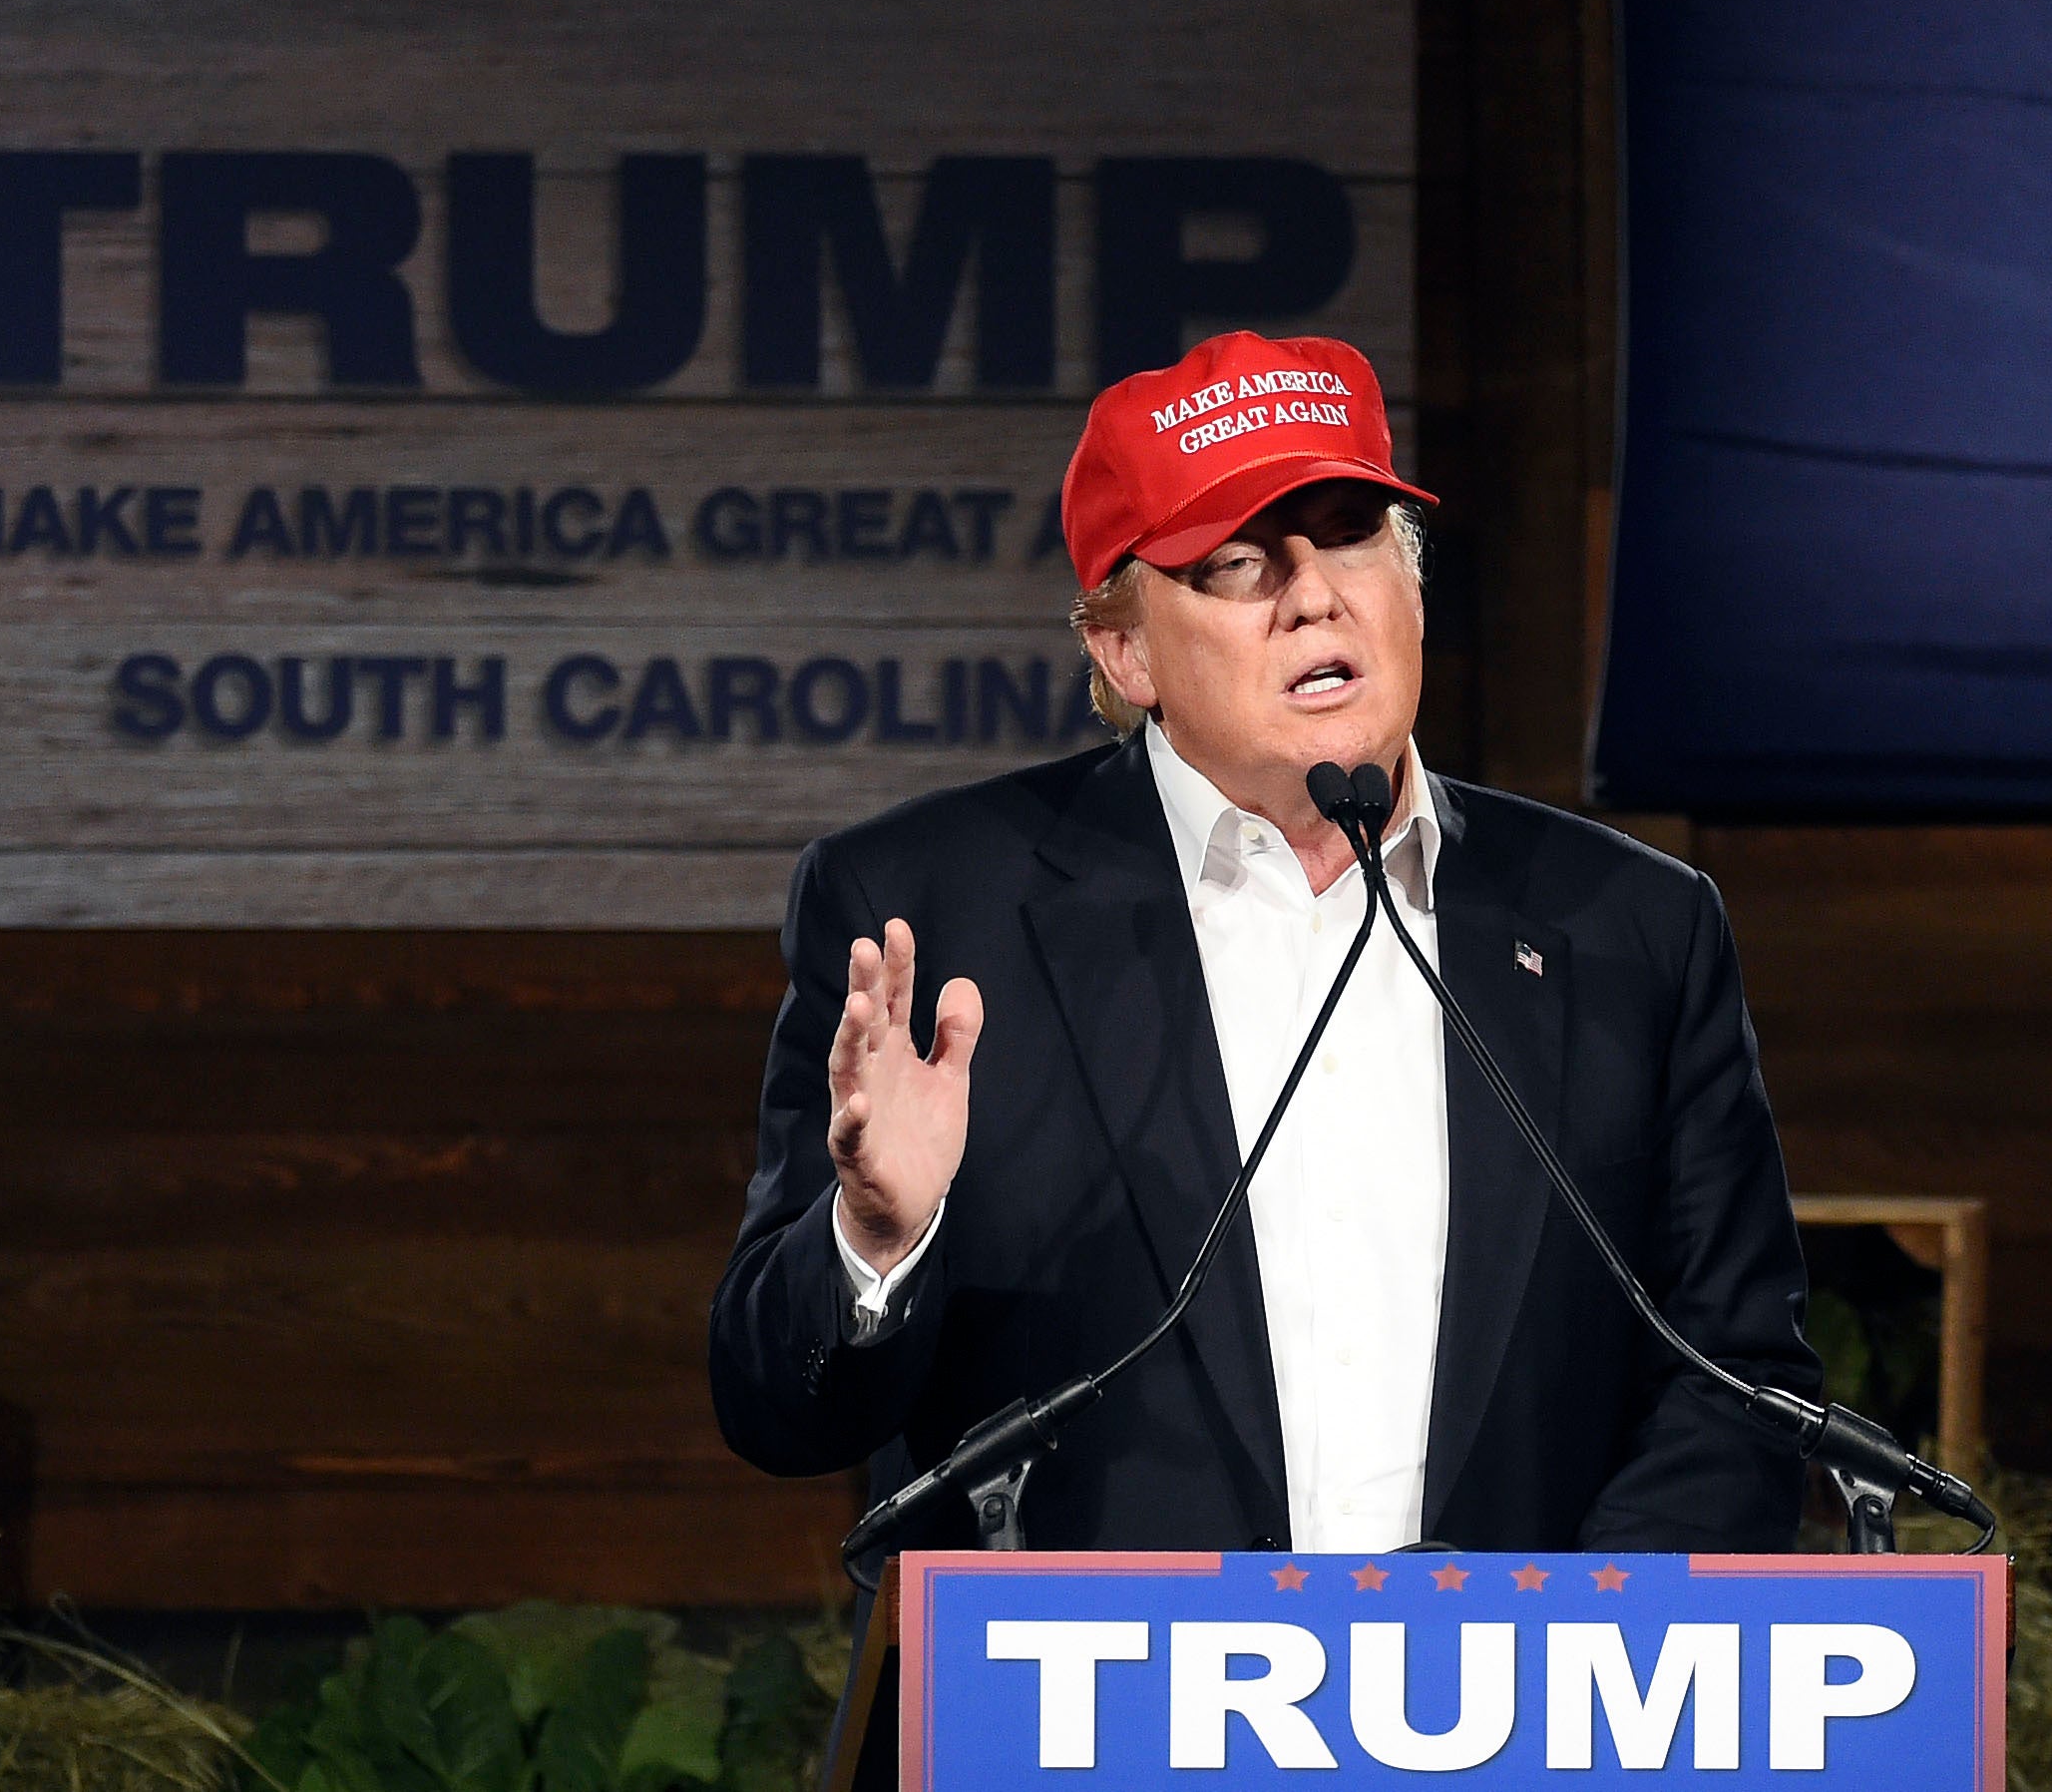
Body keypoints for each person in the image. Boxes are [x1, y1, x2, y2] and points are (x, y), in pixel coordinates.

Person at [708, 330, 1819, 1739]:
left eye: (1352, 535)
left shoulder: (1630, 928)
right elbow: (778, 1410)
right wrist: (875, 1240)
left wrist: (1565, 1674)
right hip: (1088, 1742)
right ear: (1123, 649)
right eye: (1236, 563)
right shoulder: (929, 913)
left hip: (1521, 1737)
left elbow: (1737, 1381)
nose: (1313, 597)